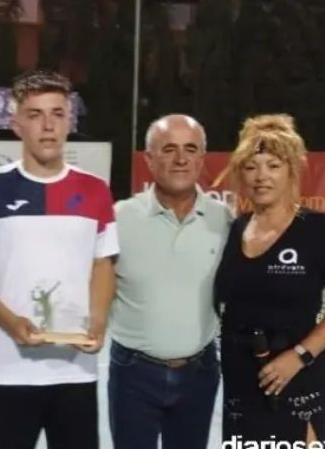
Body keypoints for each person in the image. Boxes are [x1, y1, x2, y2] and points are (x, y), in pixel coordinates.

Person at [0, 69, 118, 449]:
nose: (48, 126)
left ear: (69, 120)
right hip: (9, 371)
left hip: (76, 371)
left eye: (57, 114)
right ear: (16, 125)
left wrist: (97, 321)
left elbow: (103, 265)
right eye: (35, 115)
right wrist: (10, 321)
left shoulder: (95, 190)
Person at [213, 114, 325, 443]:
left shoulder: (321, 231)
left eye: (273, 166)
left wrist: (299, 356)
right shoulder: (235, 229)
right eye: (252, 166)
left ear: (292, 170)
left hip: (296, 376)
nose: (261, 176)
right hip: (240, 377)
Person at [109, 114, 231, 449]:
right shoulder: (119, 218)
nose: (181, 159)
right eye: (169, 149)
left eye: (190, 149)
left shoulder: (226, 221)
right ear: (149, 159)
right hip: (133, 375)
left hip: (200, 374)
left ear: (201, 159)